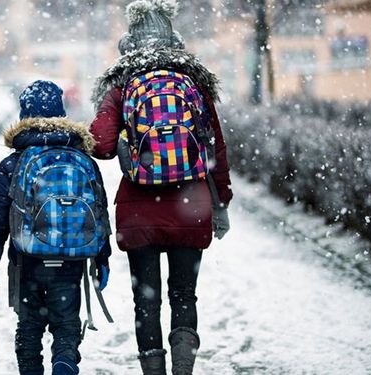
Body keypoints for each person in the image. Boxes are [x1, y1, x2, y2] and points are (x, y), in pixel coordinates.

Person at [89, 1, 233, 374]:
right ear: (174, 40)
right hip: (192, 204)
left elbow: (101, 146)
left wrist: (125, 138)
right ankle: (183, 368)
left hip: (140, 210)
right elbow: (215, 146)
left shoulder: (123, 86)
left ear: (129, 43)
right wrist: (222, 203)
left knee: (146, 301)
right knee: (184, 294)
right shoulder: (194, 84)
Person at [0, 80, 112, 375]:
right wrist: (103, 257)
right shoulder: (83, 159)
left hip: (28, 260)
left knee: (29, 326)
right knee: (66, 324)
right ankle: (64, 362)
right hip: (71, 259)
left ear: (24, 115)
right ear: (61, 113)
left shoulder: (14, 162)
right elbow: (100, 212)